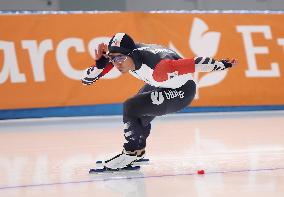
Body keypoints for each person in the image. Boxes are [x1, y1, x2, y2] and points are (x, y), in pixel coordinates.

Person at [81, 32, 236, 170]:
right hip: (159, 84)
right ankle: (138, 151)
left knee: (131, 106)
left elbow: (194, 63)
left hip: (182, 91)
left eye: (121, 58)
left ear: (132, 54)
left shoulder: (159, 68)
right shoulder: (122, 56)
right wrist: (100, 65)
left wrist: (222, 64)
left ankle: (129, 153)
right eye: (113, 59)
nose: (117, 64)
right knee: (138, 108)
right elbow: (85, 80)